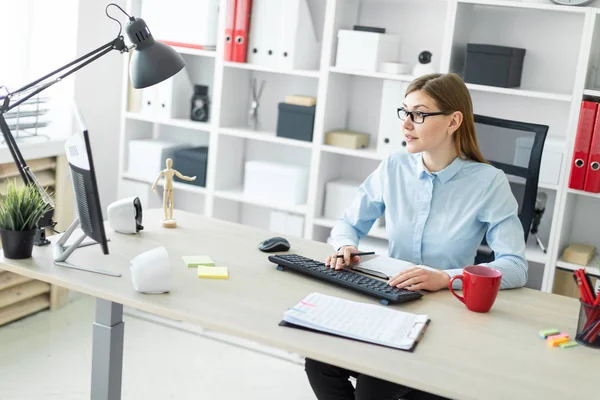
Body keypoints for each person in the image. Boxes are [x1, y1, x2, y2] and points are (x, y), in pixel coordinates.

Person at [304, 73, 527, 400]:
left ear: (453, 121)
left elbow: (516, 266)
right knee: (318, 362)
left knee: (373, 384)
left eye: (419, 114)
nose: (406, 124)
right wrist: (345, 245)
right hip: (391, 302)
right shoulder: (394, 167)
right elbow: (347, 224)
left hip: (444, 315)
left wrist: (444, 278)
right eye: (404, 112)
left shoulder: (489, 183)